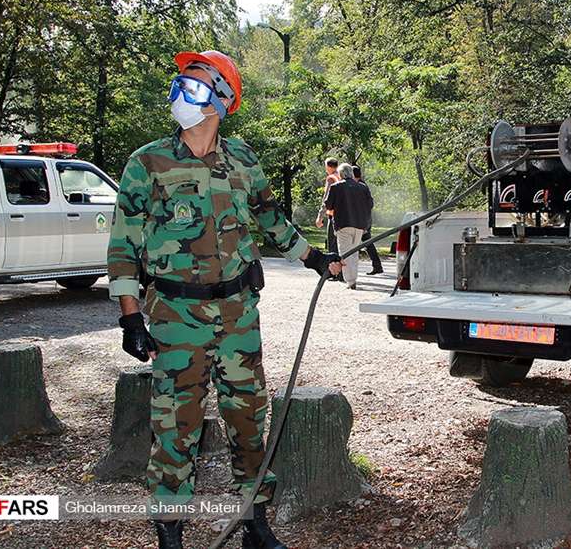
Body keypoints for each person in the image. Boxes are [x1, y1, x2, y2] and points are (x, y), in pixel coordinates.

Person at [107, 50, 342, 549]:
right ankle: (170, 532)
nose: (178, 92)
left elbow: (271, 219)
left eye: (191, 85)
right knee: (175, 427)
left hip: (238, 314)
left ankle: (254, 522)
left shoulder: (243, 160)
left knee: (249, 419)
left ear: (220, 99)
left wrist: (314, 258)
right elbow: (123, 247)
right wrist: (131, 317)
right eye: (179, 82)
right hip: (175, 317)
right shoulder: (146, 163)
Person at [324, 163, 374, 289]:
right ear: (351, 173)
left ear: (340, 174)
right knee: (354, 252)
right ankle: (353, 278)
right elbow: (370, 204)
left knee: (345, 253)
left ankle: (351, 281)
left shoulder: (336, 187)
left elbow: (328, 205)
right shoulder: (363, 187)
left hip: (343, 224)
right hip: (359, 225)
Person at [353, 165, 384, 275]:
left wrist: (364, 224)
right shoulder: (361, 185)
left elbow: (369, 204)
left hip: (363, 220)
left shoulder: (360, 186)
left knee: (367, 243)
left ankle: (377, 266)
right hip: (364, 219)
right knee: (368, 244)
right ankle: (377, 266)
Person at [315, 157, 341, 255]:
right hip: (344, 216)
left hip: (333, 215)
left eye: (325, 167)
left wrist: (320, 216)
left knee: (332, 245)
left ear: (328, 167)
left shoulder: (331, 178)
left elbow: (326, 199)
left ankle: (334, 268)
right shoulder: (341, 177)